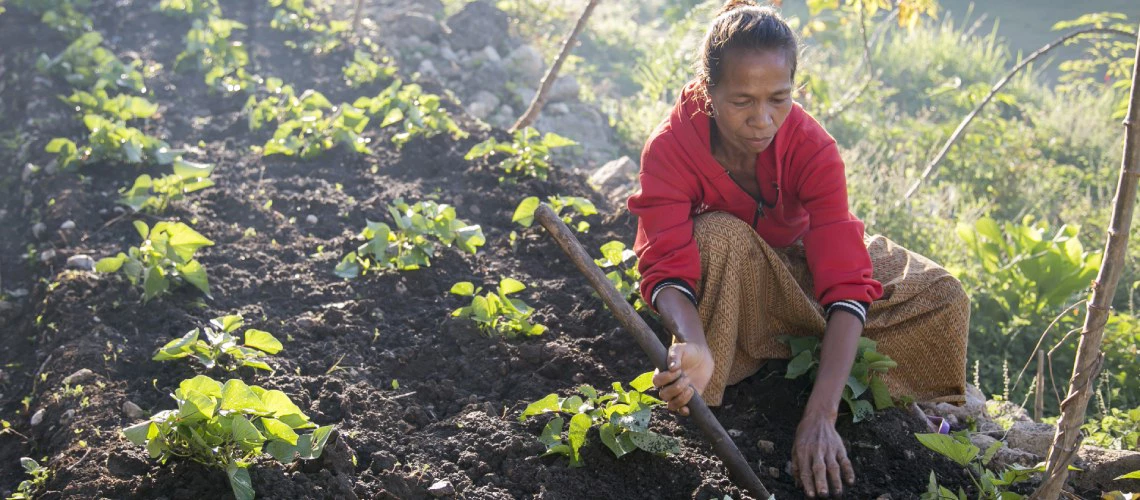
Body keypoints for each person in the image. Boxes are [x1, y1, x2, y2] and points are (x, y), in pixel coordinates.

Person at [628, 1, 970, 497]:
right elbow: (666, 263)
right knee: (717, 234)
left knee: (943, 294)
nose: (762, 120)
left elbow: (845, 277)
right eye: (741, 101)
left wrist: (820, 417)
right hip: (736, 275)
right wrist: (693, 340)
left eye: (779, 99)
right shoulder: (671, 146)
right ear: (708, 91)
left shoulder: (813, 147)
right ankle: (740, 359)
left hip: (801, 262)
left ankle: (790, 345)